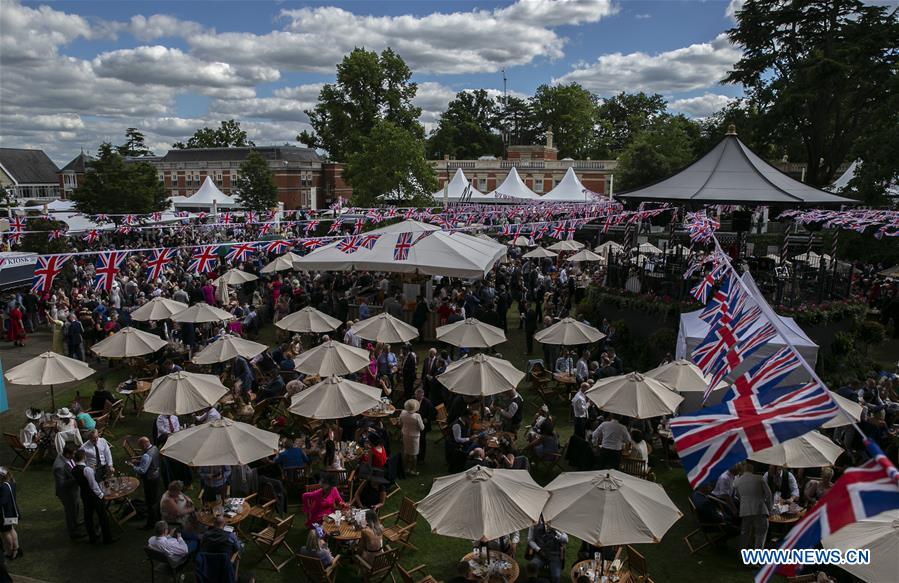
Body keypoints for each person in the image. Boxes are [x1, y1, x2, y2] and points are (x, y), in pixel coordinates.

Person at [72, 449, 113, 544]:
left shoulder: (74, 470)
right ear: (84, 457)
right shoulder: (87, 469)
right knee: (102, 516)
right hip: (94, 495)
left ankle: (92, 538)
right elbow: (93, 484)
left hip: (84, 494)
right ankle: (107, 538)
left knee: (88, 517)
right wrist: (101, 495)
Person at [734, 462, 772, 550]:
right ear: (752, 469)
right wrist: (769, 509)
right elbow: (769, 494)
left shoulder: (737, 481)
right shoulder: (759, 478)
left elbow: (738, 495)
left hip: (745, 510)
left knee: (745, 533)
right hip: (760, 509)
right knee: (760, 535)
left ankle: (742, 553)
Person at [127, 436, 162, 528]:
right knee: (156, 499)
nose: (140, 447)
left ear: (144, 444)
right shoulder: (154, 448)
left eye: (140, 445)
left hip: (150, 480)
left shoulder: (147, 455)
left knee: (150, 502)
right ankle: (158, 518)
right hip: (157, 476)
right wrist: (140, 460)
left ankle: (150, 523)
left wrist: (132, 466)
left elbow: (142, 470)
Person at [53, 443, 83, 540]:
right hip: (67, 494)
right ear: (67, 454)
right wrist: (78, 477)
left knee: (76, 508)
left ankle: (76, 523)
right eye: (74, 454)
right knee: (70, 512)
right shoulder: (59, 467)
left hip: (74, 491)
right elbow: (62, 484)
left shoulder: (67, 458)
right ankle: (73, 532)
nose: (75, 456)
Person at [527, 517, 568, 583]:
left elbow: (565, 540)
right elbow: (530, 540)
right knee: (532, 567)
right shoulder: (534, 520)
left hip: (554, 554)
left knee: (556, 577)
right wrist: (539, 550)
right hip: (540, 554)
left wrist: (554, 530)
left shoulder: (558, 521)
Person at [399, 399, 425, 476]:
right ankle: (413, 470)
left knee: (406, 452)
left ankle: (406, 468)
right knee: (414, 454)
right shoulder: (417, 416)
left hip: (405, 434)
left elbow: (400, 423)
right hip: (414, 437)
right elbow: (422, 428)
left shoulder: (402, 413)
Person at [0, 469, 19, 560]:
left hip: (4, 514)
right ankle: (16, 549)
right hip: (11, 512)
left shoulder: (3, 487)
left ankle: (9, 552)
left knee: (5, 532)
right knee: (11, 529)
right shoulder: (12, 484)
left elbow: (3, 501)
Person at [414, 388, 435, 464]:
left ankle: (421, 458)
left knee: (422, 441)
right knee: (416, 440)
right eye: (416, 395)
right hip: (415, 423)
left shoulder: (428, 403)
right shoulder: (413, 400)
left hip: (423, 424)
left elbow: (432, 414)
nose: (416, 397)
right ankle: (414, 455)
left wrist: (427, 419)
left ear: (422, 396)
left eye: (418, 396)